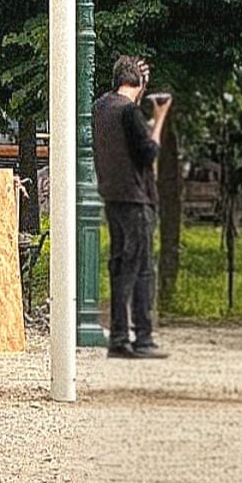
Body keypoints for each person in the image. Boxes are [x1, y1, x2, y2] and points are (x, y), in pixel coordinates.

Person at [92, 55, 173, 359]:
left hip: (112, 196)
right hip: (136, 198)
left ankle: (120, 336)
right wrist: (160, 115)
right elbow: (149, 152)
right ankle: (141, 338)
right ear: (138, 84)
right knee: (139, 269)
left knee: (120, 264)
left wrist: (139, 93)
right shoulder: (129, 113)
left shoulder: (101, 107)